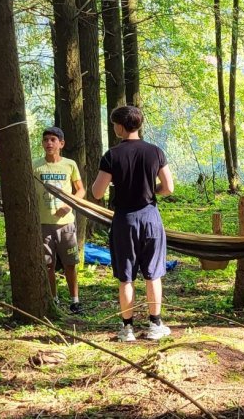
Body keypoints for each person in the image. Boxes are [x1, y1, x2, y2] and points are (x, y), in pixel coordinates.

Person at [92, 106, 175, 342]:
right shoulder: (155, 152)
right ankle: (155, 325)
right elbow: (169, 188)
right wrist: (151, 189)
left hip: (124, 220)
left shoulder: (111, 155)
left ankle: (127, 329)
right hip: (150, 217)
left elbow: (97, 192)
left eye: (114, 124)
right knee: (153, 274)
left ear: (120, 127)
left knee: (126, 277)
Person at [33, 127, 86, 314]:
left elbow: (81, 190)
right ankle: (53, 299)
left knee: (70, 263)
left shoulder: (70, 164)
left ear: (61, 144)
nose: (49, 143)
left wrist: (69, 205)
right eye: (46, 140)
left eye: (53, 140)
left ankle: (75, 301)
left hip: (66, 224)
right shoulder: (35, 166)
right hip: (43, 223)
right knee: (48, 264)